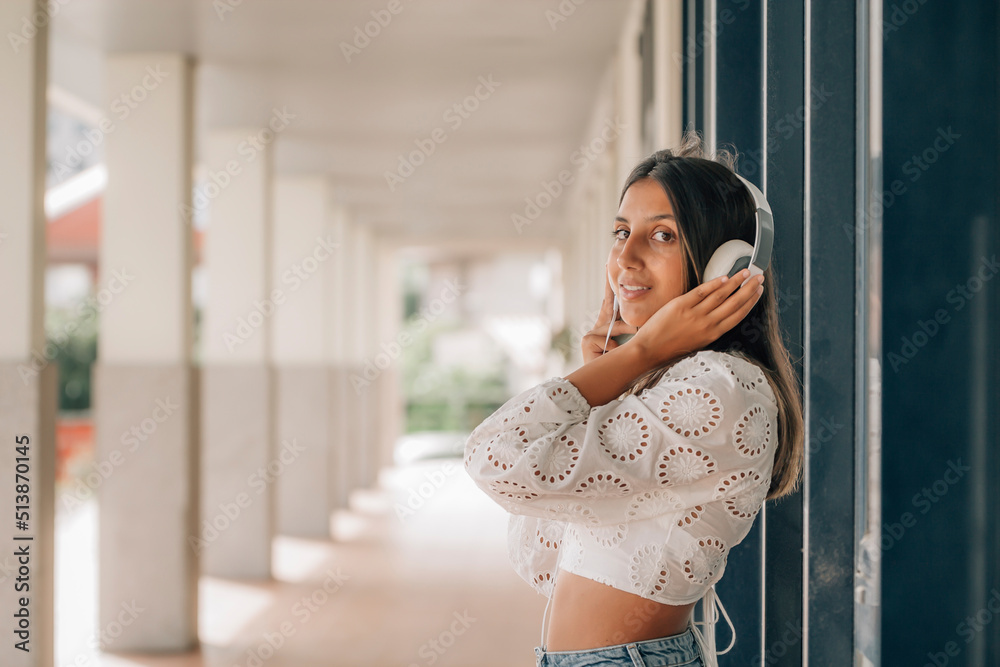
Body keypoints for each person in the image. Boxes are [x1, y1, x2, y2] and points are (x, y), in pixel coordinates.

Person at [463, 130, 804, 667]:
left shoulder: (721, 390)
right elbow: (543, 551)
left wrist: (631, 357)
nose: (626, 256)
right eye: (621, 231)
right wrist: (607, 374)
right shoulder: (664, 383)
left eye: (663, 235)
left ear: (728, 268)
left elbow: (496, 459)